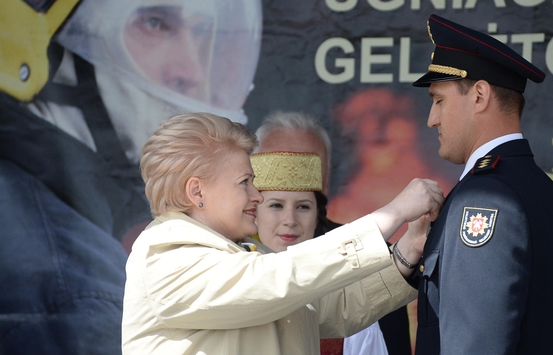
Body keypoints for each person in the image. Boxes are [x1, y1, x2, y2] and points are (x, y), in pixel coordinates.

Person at [0, 0, 263, 353]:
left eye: (202, 31)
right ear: (42, 40)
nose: (191, 71)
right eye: (155, 23)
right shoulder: (70, 296)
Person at [122, 112, 444, 354]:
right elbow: (278, 279)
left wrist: (408, 249)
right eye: (244, 183)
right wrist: (393, 213)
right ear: (197, 191)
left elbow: (339, 308)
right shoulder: (165, 256)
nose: (256, 196)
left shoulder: (247, 256)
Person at [410, 14, 553, 354]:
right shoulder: (543, 191)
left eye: (438, 100)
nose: (432, 119)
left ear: (479, 95)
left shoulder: (485, 198)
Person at [254, 110, 414, 353]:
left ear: (324, 182)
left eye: (306, 166)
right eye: (277, 164)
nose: (292, 172)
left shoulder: (370, 257)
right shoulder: (227, 258)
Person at [251, 150, 389, 355]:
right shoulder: (232, 285)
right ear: (254, 214)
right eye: (276, 205)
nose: (290, 220)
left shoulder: (346, 302)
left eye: (303, 207)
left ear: (317, 216)